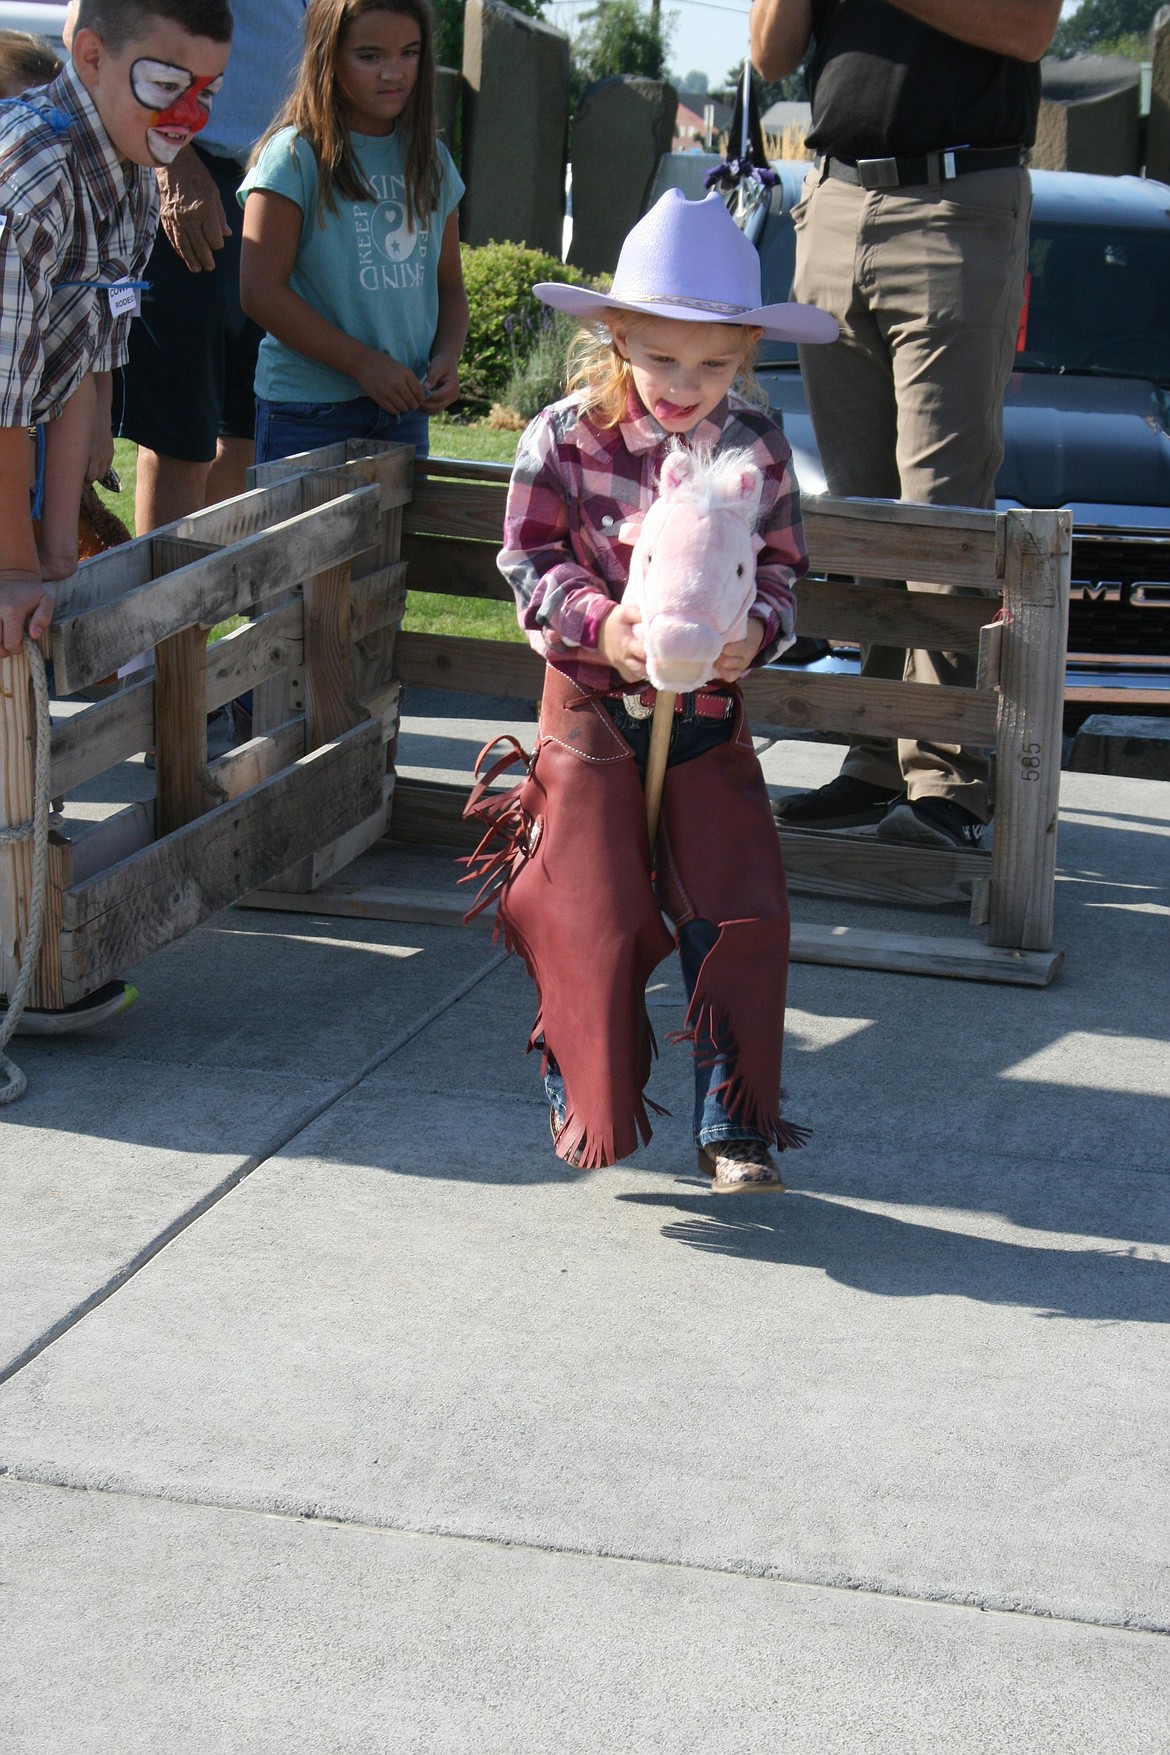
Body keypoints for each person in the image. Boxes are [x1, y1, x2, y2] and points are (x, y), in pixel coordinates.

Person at [476, 189, 836, 1192]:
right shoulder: (562, 438)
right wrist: (608, 626)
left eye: (717, 364)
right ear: (619, 334)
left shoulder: (755, 445)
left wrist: (753, 632)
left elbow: (779, 572)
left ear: (747, 357)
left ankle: (735, 1125)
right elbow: (529, 562)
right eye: (666, 357)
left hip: (707, 713)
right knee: (587, 908)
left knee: (739, 904)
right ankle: (589, 1091)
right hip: (592, 704)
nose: (689, 385)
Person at [752, 0, 1062, 849]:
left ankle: (949, 781)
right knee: (856, 520)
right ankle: (874, 755)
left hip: (956, 203)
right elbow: (771, 54)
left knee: (939, 511)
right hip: (834, 201)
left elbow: (1031, 29)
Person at [0, 0, 231, 659]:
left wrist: (56, 556)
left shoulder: (130, 171)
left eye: (207, 93)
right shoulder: (32, 173)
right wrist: (16, 570)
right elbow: (2, 401)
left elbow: (76, 366)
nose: (188, 118)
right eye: (166, 86)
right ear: (92, 57)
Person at [238, 0, 468, 467]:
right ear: (328, 56)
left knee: (391, 545)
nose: (393, 72)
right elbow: (259, 292)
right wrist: (363, 364)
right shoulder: (295, 156)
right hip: (308, 413)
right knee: (304, 545)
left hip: (404, 413)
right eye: (370, 55)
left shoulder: (433, 160)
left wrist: (447, 355)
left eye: (410, 52)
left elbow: (449, 286)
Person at [112, 0, 308, 533]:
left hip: (287, 182)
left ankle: (200, 615)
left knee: (246, 433)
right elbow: (144, 29)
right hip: (197, 175)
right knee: (181, 438)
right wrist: (173, 164)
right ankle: (165, 615)